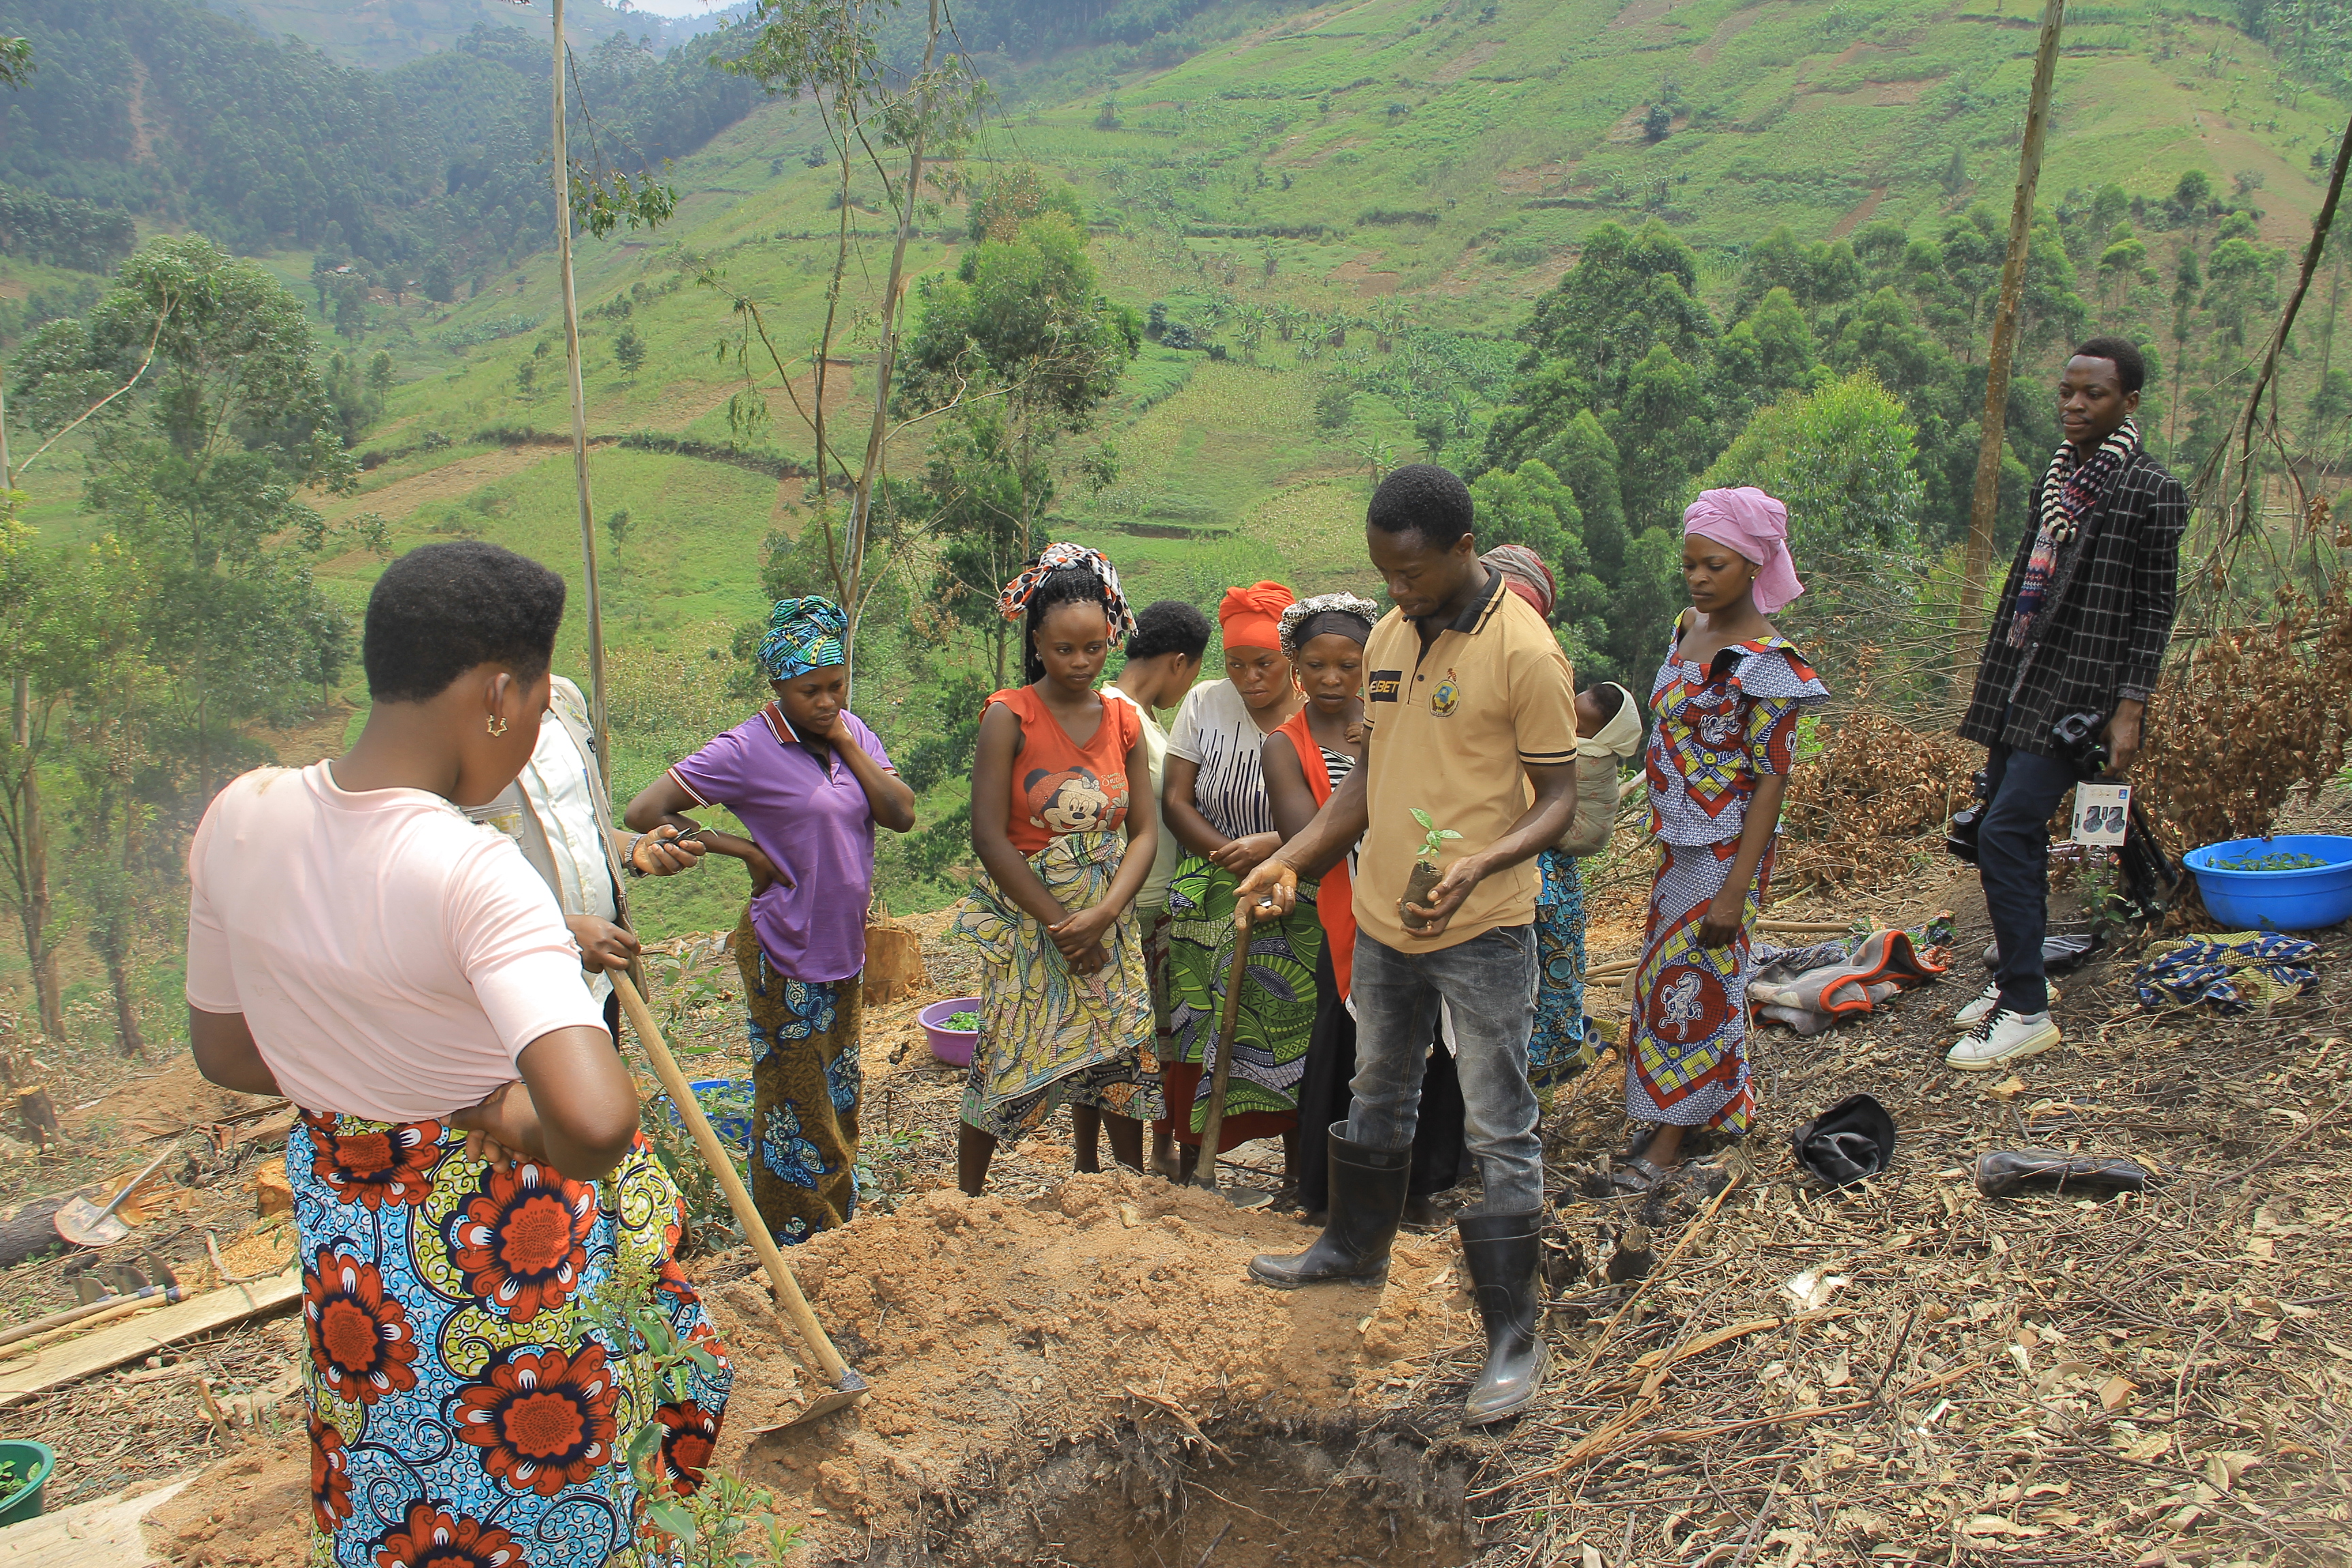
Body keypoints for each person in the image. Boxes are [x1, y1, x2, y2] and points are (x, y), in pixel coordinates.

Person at [186, 541, 731, 1568]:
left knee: (398, 1475)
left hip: (360, 1262)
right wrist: (495, 1109)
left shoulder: (241, 816)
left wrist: (374, 1084)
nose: (531, 732)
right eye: (533, 706)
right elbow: (595, 1121)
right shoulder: (473, 873)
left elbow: (225, 1047)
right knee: (537, 1491)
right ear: (496, 693)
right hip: (498, 1252)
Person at [1238, 465, 1578, 1428]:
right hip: (1386, 917)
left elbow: (1560, 799)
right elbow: (1366, 783)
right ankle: (1353, 1245)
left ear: (1464, 550)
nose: (1399, 590)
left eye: (1415, 573)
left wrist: (1482, 861)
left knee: (1497, 1114)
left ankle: (1513, 1332)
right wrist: (1294, 861)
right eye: (1387, 572)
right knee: (1376, 1085)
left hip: (1482, 923)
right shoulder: (1388, 638)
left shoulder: (1524, 652)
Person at [625, 597, 917, 1246]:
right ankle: (795, 1245)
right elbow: (645, 809)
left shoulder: (853, 733)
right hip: (782, 946)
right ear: (778, 686)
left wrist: (845, 737)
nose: (827, 700)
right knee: (793, 1102)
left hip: (841, 944)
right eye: (810, 690)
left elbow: (900, 813)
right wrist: (744, 850)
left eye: (836, 685)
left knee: (839, 1091)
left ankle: (837, 1228)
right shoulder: (745, 749)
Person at [1951, 337, 2185, 1071]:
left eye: (2095, 395)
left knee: (2008, 830)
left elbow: (2154, 609)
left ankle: (2025, 1007)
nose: (2076, 406)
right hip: (2025, 680)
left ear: (2129, 404)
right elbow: (2027, 585)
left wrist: (2131, 706)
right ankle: (2015, 982)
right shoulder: (2055, 481)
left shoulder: (2151, 491)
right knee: (1995, 825)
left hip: (2080, 692)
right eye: (2068, 393)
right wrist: (1996, 676)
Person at [1618, 489, 1828, 1192]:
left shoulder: (1769, 664)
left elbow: (1772, 779)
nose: (1699, 579)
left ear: (1753, 564)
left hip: (1719, 854)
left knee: (1694, 986)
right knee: (1664, 982)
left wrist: (1735, 891)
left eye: (1714, 565)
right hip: (1676, 847)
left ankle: (1672, 1137)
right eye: (1690, 566)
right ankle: (1705, 1109)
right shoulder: (1688, 630)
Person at [956, 544, 1164, 1196]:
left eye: (1095, 649)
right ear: (1038, 644)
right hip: (1031, 915)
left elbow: (1145, 831)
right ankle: (967, 1202)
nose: (1080, 663)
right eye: (1064, 650)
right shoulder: (1009, 716)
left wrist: (1101, 917)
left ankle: (1120, 1187)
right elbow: (989, 836)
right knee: (1010, 1048)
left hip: (1109, 912)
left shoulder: (1123, 718)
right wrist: (1058, 924)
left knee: (1119, 1050)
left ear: (1111, 641)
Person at [1267, 592, 1470, 1230]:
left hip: (1417, 900)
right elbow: (1312, 837)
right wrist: (1368, 766)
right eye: (1317, 666)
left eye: (1349, 665)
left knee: (1427, 1042)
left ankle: (1419, 1185)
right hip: (1347, 916)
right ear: (1296, 669)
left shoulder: (1400, 719)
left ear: (1373, 665)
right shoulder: (1285, 744)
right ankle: (1337, 1192)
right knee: (1357, 1046)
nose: (1333, 679)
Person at [1162, 581, 1322, 1190]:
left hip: (1294, 895)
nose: (1249, 678)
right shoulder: (1204, 703)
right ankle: (1192, 1174)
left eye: (1264, 663)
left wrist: (1275, 850)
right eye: (1236, 664)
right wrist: (1223, 852)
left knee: (1287, 1038)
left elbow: (1337, 807)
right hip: (1211, 893)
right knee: (1203, 1031)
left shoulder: (1318, 708)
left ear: (1289, 656)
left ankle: (1297, 1178)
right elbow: (1176, 797)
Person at [468, 672, 704, 1043]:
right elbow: (425, 886)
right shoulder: (445, 723)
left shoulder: (563, 698)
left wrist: (632, 849)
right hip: (512, 989)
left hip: (601, 977)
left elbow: (577, 823)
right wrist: (552, 930)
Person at [1102, 600, 1211, 1177]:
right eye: (1193, 673)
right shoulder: (1116, 716)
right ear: (1178, 661)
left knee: (1151, 1038)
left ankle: (1152, 1152)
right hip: (1138, 904)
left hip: (1149, 900)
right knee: (1133, 1042)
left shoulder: (1141, 720)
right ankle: (1118, 1164)